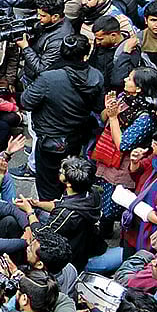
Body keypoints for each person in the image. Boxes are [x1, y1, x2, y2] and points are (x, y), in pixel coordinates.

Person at [20, 33, 104, 199]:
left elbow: (26, 101)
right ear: (85, 55)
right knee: (70, 176)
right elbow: (98, 106)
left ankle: (50, 217)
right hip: (76, 136)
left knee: (47, 185)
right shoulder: (96, 76)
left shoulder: (49, 78)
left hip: (50, 138)